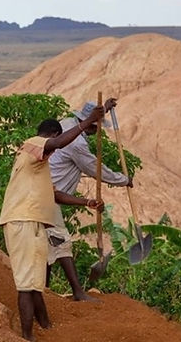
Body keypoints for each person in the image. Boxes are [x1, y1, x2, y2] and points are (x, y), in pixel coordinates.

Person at [0, 103, 112, 341]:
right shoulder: (35, 144)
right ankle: (27, 338)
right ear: (53, 134)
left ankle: (45, 326)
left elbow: (55, 195)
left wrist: (87, 202)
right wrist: (86, 121)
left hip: (32, 221)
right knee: (27, 284)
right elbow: (57, 144)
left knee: (36, 281)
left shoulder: (38, 166)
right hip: (22, 220)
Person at [46, 100, 132, 301]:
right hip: (48, 199)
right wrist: (124, 180)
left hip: (47, 196)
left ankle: (45, 291)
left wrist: (106, 108)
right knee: (61, 244)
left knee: (47, 247)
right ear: (92, 124)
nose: (98, 131)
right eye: (98, 126)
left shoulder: (67, 123)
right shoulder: (77, 144)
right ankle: (78, 292)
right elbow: (95, 169)